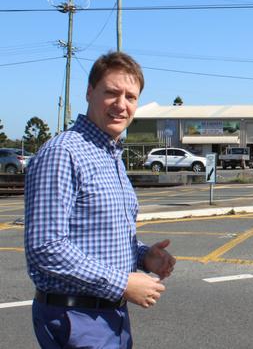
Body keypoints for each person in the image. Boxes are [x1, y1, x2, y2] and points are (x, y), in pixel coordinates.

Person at [24, 51, 176, 349]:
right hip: (76, 316)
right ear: (90, 92)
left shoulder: (109, 154)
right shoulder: (64, 153)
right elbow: (45, 247)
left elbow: (98, 239)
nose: (122, 105)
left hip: (107, 315)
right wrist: (123, 283)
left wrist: (143, 256)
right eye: (111, 93)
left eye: (131, 97)